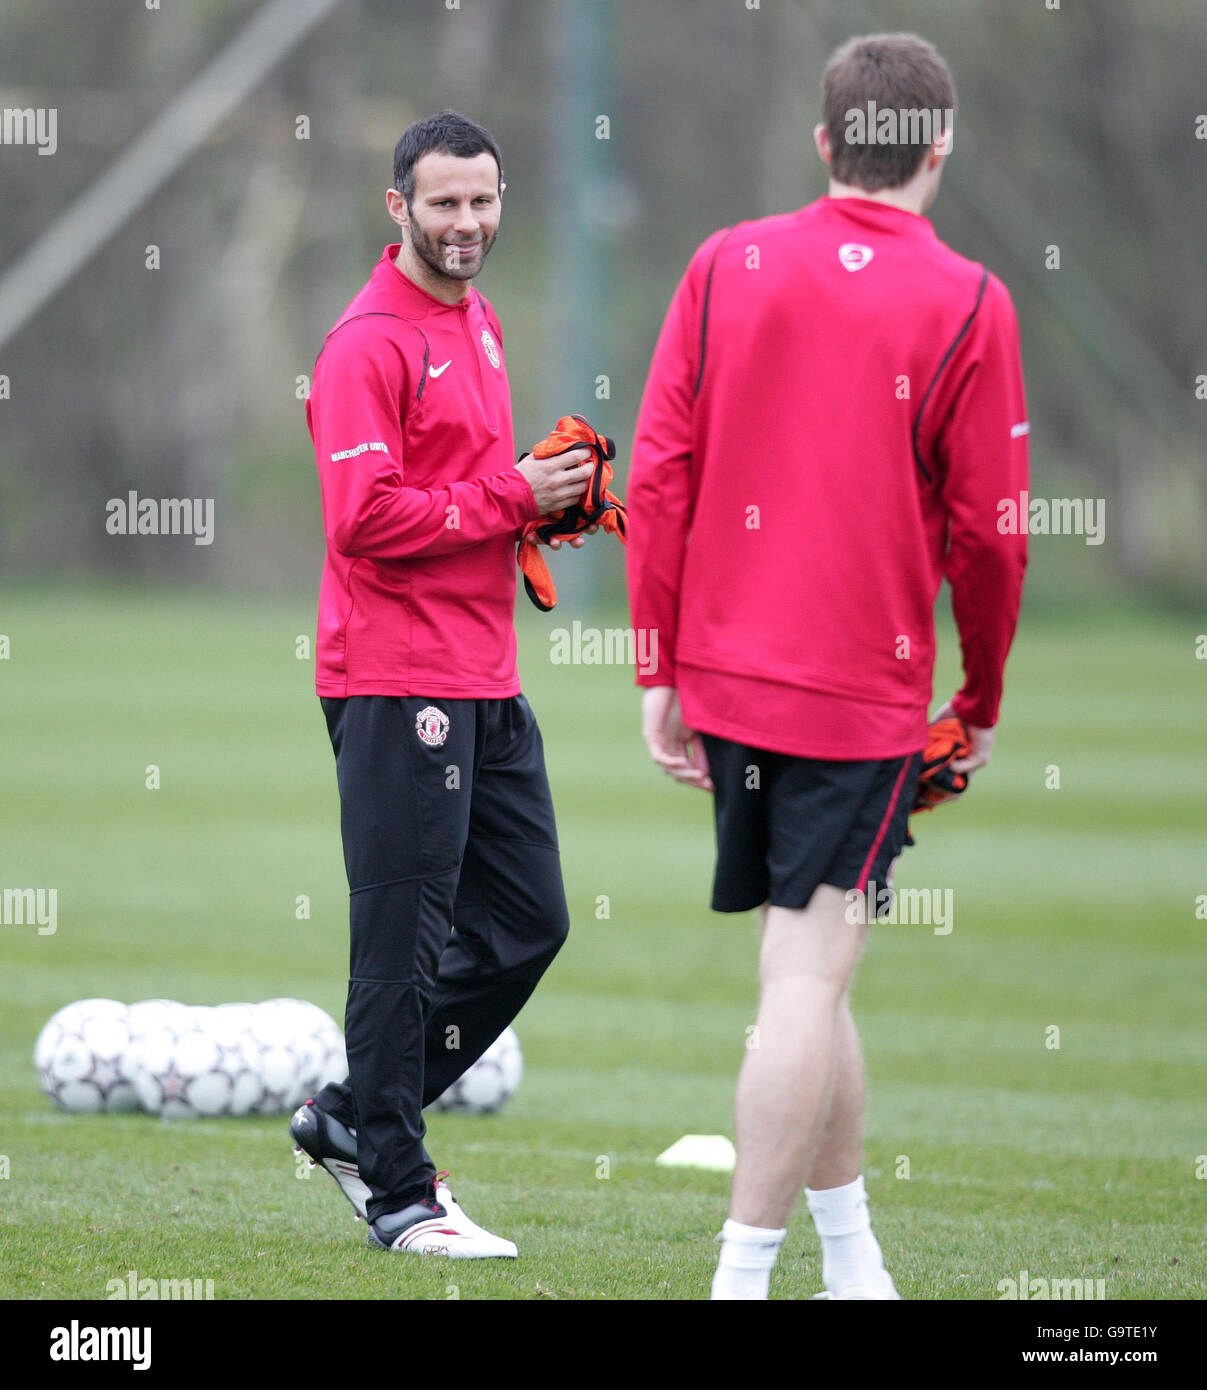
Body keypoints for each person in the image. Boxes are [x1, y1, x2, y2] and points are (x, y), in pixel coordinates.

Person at [627, 33, 1029, 1299]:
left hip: (732, 679)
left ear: (824, 144)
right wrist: (982, 698)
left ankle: (854, 1261)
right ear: (940, 146)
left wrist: (658, 664)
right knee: (807, 969)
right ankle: (740, 1277)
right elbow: (991, 533)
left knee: (810, 962)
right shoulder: (969, 298)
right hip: (859, 692)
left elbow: (657, 471)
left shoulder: (724, 261)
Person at [291, 109, 595, 1259]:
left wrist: (540, 505)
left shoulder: (478, 320)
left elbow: (465, 490)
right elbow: (362, 522)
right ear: (398, 207)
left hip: (483, 671)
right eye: (443, 203)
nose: (466, 223)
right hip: (394, 674)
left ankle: (345, 1117)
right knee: (402, 941)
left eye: (482, 200)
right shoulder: (367, 341)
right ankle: (402, 1190)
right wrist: (516, 495)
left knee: (528, 920)